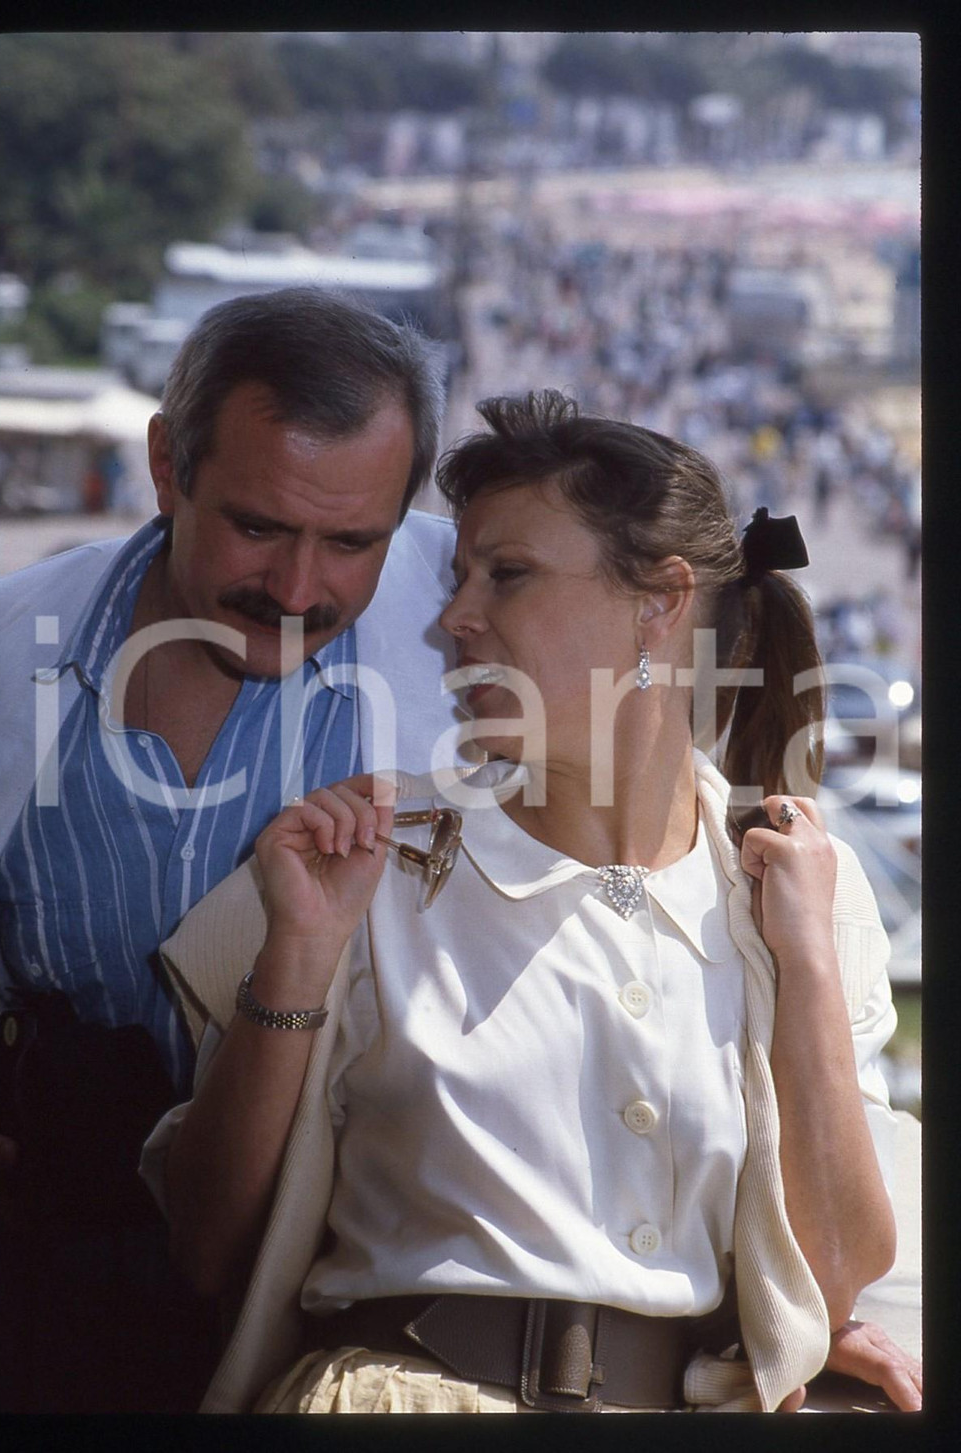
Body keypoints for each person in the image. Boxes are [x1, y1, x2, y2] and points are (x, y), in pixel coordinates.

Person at [141, 390, 920, 1414]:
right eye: (460, 573)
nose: (452, 617)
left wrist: (808, 965)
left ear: (660, 605)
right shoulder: (356, 861)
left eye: (505, 575)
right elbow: (204, 1249)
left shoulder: (800, 888)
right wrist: (297, 955)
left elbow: (827, 1279)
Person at [0, 287, 461, 1412]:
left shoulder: (465, 631)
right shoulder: (10, 647)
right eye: (258, 526)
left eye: (353, 541)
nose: (299, 589)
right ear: (168, 465)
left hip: (346, 1299)